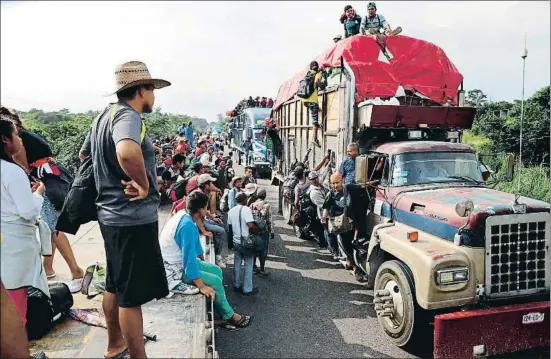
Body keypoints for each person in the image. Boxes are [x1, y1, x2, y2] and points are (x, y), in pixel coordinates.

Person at [80, 61, 170, 359]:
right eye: (152, 91)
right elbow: (127, 151)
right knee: (131, 297)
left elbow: (85, 155)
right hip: (131, 219)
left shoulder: (102, 117)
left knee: (115, 283)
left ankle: (113, 344)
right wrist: (143, 184)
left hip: (109, 216)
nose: (154, 98)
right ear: (141, 90)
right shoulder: (128, 117)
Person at [2, 107, 85, 292]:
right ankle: (48, 268)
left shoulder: (16, 136)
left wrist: (29, 185)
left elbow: (21, 164)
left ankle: (76, 271)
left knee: (53, 227)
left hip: (44, 180)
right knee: (48, 225)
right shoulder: (22, 133)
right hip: (49, 177)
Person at [177, 191, 253, 329]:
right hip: (175, 270)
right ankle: (229, 316)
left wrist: (200, 256)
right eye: (206, 208)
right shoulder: (187, 225)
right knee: (215, 281)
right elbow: (188, 262)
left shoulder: (187, 217)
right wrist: (202, 286)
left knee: (216, 270)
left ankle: (217, 310)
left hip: (180, 263)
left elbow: (194, 244)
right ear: (200, 209)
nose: (207, 211)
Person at [321, 173, 368, 283]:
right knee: (347, 247)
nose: (335, 185)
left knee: (356, 244)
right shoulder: (331, 193)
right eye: (333, 183)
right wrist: (323, 217)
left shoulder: (350, 189)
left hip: (353, 222)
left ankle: (352, 263)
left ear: (342, 180)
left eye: (337, 182)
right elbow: (326, 207)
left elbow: (363, 187)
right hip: (341, 225)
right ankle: (356, 269)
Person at [227, 192, 260, 296]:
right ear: (244, 200)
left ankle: (236, 285)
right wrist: (258, 232)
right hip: (245, 242)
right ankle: (247, 289)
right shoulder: (246, 210)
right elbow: (250, 225)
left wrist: (230, 243)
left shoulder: (231, 211)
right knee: (248, 264)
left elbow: (230, 228)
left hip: (236, 241)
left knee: (237, 263)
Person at [308, 171, 334, 254]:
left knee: (328, 231)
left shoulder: (320, 185)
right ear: (310, 181)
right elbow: (324, 205)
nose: (315, 180)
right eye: (312, 179)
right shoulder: (314, 192)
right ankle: (332, 249)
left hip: (328, 212)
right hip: (324, 214)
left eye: (316, 178)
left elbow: (324, 174)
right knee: (328, 231)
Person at [250, 188, 273, 277]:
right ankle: (262, 269)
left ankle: (254, 267)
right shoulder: (267, 205)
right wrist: (272, 231)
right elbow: (269, 219)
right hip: (264, 230)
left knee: (254, 248)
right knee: (263, 250)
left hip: (254, 230)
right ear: (265, 195)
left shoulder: (252, 204)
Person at [300, 61, 323, 148]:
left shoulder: (307, 75)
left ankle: (317, 125)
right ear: (317, 68)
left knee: (316, 111)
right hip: (313, 100)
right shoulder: (318, 74)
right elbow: (317, 82)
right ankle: (315, 138)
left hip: (304, 100)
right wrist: (322, 86)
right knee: (314, 119)